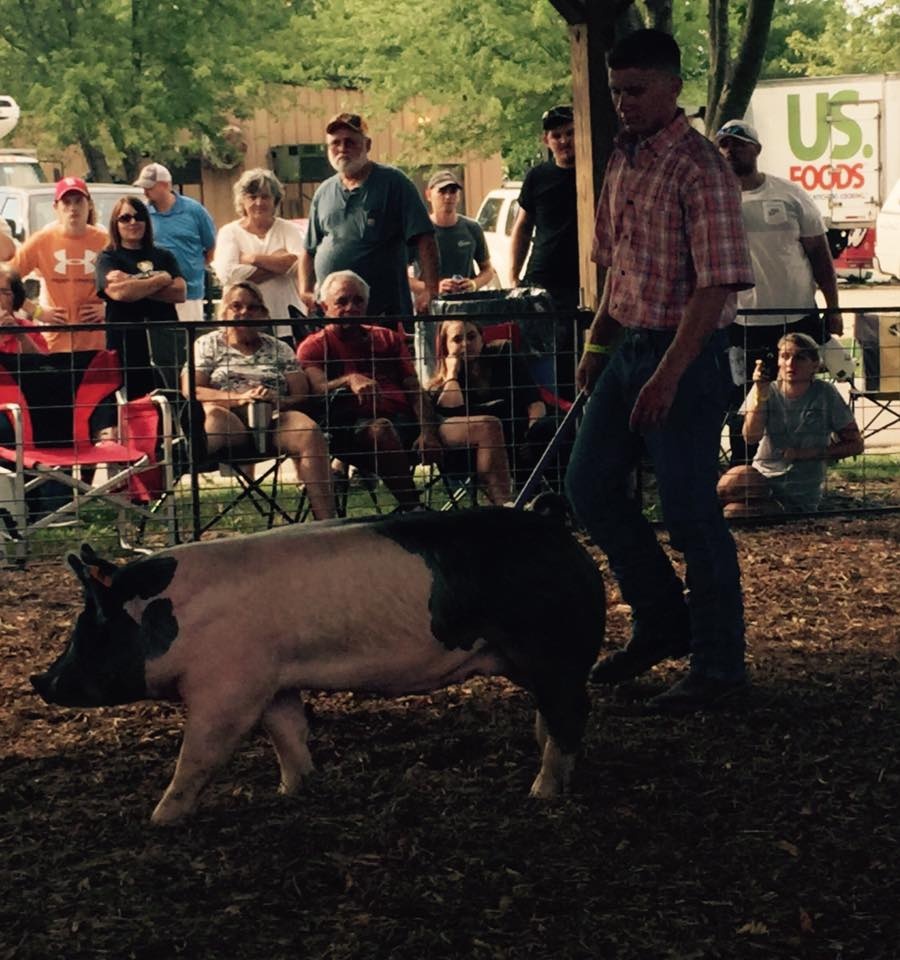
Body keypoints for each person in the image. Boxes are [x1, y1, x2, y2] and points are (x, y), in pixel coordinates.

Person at [564, 30, 755, 713]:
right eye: (617, 90)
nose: (624, 103)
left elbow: (718, 285)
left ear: (674, 88)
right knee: (587, 486)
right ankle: (662, 618)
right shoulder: (623, 157)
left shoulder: (701, 168)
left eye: (636, 90)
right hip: (629, 349)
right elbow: (619, 267)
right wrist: (596, 346)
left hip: (689, 354)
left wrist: (670, 373)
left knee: (689, 511)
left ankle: (720, 665)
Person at [715, 119, 842, 464]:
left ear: (756, 149)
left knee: (798, 395)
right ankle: (744, 475)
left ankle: (797, 471)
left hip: (795, 316)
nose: (730, 151)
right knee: (744, 399)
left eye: (739, 144)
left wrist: (833, 307)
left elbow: (819, 254)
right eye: (724, 145)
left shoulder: (789, 193)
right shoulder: (712, 199)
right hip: (740, 322)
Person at [182, 281, 335, 521]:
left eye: (253, 307)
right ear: (223, 312)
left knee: (308, 430)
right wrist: (238, 398)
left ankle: (327, 523)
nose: (244, 312)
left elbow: (301, 394)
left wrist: (277, 400)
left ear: (263, 314)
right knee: (214, 417)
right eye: (236, 306)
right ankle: (182, 464)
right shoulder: (207, 344)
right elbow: (192, 389)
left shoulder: (280, 348)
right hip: (228, 418)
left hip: (273, 418)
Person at [297, 269, 441, 511]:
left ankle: (506, 508)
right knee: (381, 429)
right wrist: (348, 380)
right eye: (341, 301)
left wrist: (428, 431)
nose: (351, 307)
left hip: (408, 423)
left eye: (358, 300)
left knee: (483, 425)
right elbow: (317, 390)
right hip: (350, 430)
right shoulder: (313, 346)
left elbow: (414, 388)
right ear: (324, 306)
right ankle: (414, 510)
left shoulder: (388, 338)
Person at [299, 113, 438, 323]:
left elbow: (425, 239)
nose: (342, 148)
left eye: (350, 142)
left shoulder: (394, 183)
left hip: (384, 314)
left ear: (367, 144)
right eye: (335, 143)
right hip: (333, 317)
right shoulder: (323, 192)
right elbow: (309, 250)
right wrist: (306, 291)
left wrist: (430, 289)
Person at [717, 333, 863, 516]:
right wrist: (760, 394)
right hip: (762, 478)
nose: (790, 363)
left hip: (798, 491)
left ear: (814, 365)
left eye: (800, 358)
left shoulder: (825, 393)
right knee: (728, 484)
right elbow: (750, 437)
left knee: (732, 513)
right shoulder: (766, 387)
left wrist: (808, 454)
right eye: (785, 356)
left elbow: (856, 444)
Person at [429, 318, 560, 500]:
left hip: (523, 436)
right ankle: (519, 504)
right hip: (481, 451)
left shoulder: (502, 353)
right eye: (457, 340)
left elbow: (534, 401)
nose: (466, 344)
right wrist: (452, 374)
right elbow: (451, 411)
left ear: (482, 338)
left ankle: (565, 500)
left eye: (472, 336)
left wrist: (531, 434)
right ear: (445, 347)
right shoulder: (439, 387)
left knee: (549, 429)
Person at [95, 196, 185, 398]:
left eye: (138, 217)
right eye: (125, 218)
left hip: (165, 343)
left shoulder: (164, 255)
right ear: (115, 224)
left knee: (171, 399)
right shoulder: (108, 258)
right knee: (130, 405)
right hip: (125, 344)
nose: (133, 222)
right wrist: (160, 278)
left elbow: (180, 292)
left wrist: (131, 280)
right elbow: (120, 293)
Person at [410, 169, 495, 381]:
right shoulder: (418, 229)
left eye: (453, 191)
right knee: (431, 371)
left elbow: (488, 270)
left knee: (468, 369)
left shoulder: (471, 228)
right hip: (432, 313)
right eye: (443, 192)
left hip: (465, 312)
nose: (448, 197)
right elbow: (403, 277)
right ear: (429, 194)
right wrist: (433, 287)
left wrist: (473, 284)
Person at [5, 177, 107, 353]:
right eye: (66, 202)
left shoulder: (105, 242)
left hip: (96, 341)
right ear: (56, 208)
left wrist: (107, 309)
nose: (73, 208)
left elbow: (125, 286)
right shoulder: (42, 241)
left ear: (89, 204)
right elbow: (6, 281)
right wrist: (36, 311)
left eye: (78, 201)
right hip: (53, 341)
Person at [211, 168, 305, 343]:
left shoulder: (288, 229)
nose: (259, 202)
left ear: (275, 200)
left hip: (286, 321)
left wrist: (252, 259)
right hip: (241, 325)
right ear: (242, 201)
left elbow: (298, 266)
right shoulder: (229, 232)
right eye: (252, 197)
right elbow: (228, 275)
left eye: (265, 197)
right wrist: (279, 264)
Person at [508, 105, 578, 310]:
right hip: (543, 277)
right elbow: (522, 227)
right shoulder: (537, 177)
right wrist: (514, 276)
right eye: (556, 135)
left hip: (584, 278)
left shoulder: (596, 172)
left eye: (570, 133)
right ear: (546, 140)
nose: (564, 141)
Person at [134, 163, 216, 323]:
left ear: (165, 185)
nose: (145, 191)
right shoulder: (142, 214)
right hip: (155, 293)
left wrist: (194, 268)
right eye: (143, 187)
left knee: (188, 341)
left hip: (189, 294)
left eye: (149, 187)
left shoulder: (194, 211)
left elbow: (211, 247)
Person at [0, 264, 48, 355]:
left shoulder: (27, 328)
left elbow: (42, 366)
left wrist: (21, 335)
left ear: (16, 297)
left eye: (5, 292)